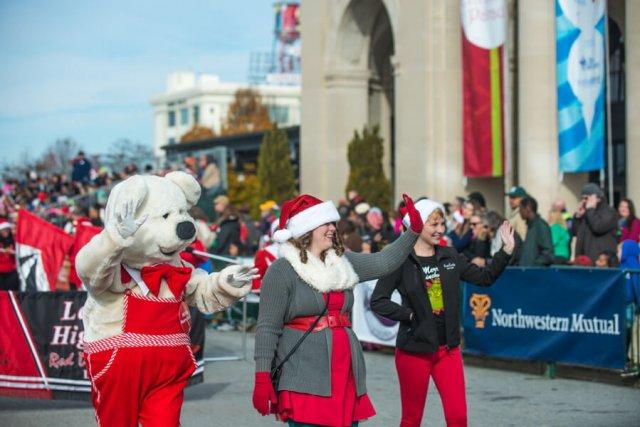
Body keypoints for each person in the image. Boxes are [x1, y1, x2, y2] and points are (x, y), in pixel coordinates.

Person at [252, 193, 424, 426]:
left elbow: (384, 262)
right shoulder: (282, 270)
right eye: (326, 223)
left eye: (333, 223)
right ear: (307, 228)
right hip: (303, 373)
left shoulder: (343, 263)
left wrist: (412, 231)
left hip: (344, 372)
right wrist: (262, 377)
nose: (333, 228)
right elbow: (267, 328)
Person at [370, 199, 515, 427]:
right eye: (434, 225)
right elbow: (378, 301)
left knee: (458, 418)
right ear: (417, 226)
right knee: (411, 419)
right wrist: (409, 315)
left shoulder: (450, 255)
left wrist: (505, 251)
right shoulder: (400, 260)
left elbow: (485, 277)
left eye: (442, 224)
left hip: (447, 350)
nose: (440, 230)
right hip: (413, 351)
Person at [572, 183, 618, 262]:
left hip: (600, 260)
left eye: (587, 198)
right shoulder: (587, 213)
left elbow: (598, 227)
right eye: (582, 198)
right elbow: (575, 232)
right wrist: (578, 217)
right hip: (583, 260)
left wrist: (590, 210)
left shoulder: (609, 212)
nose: (584, 201)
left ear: (598, 198)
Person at [518, 196, 553, 267]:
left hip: (535, 274)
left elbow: (548, 254)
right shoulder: (530, 226)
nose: (519, 211)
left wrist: (534, 265)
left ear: (528, 208)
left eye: (521, 208)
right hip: (526, 273)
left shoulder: (541, 226)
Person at [0, 219, 18, 291]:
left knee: (11, 291)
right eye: (4, 230)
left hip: (11, 271)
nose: (6, 231)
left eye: (7, 229)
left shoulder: (13, 240)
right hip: (1, 272)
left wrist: (12, 252)